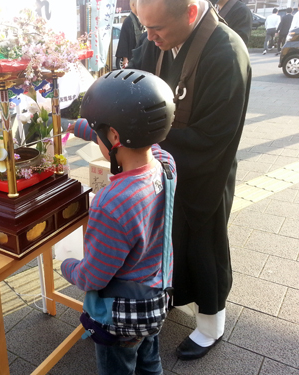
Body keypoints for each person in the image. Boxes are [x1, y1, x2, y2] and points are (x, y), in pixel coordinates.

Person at [70, 0, 251, 361]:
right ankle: (159, 303)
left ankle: (211, 323)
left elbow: (215, 137)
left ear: (190, 11)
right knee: (160, 242)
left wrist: (138, 146)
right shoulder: (155, 38)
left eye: (157, 30)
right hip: (155, 158)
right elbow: (129, 85)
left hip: (204, 167)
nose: (149, 38)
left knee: (203, 240)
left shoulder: (226, 52)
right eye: (144, 28)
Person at [61, 70, 176, 375]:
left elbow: (93, 277)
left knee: (118, 368)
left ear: (113, 136)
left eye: (100, 133)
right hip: (154, 297)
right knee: (149, 361)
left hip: (122, 316)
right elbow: (121, 136)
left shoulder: (112, 203)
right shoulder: (166, 164)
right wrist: (76, 127)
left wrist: (68, 267)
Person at [115, 0, 143, 68]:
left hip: (142, 54)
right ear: (133, 5)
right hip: (132, 56)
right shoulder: (128, 21)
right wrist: (125, 58)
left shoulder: (142, 18)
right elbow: (123, 40)